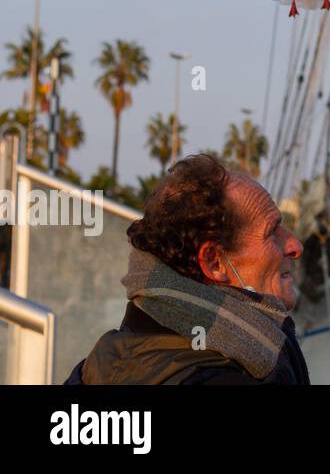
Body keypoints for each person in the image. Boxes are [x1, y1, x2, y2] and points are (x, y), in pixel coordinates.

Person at [65, 153, 311, 384]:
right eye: (272, 232)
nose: (295, 246)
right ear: (215, 262)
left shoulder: (100, 363)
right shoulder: (226, 376)